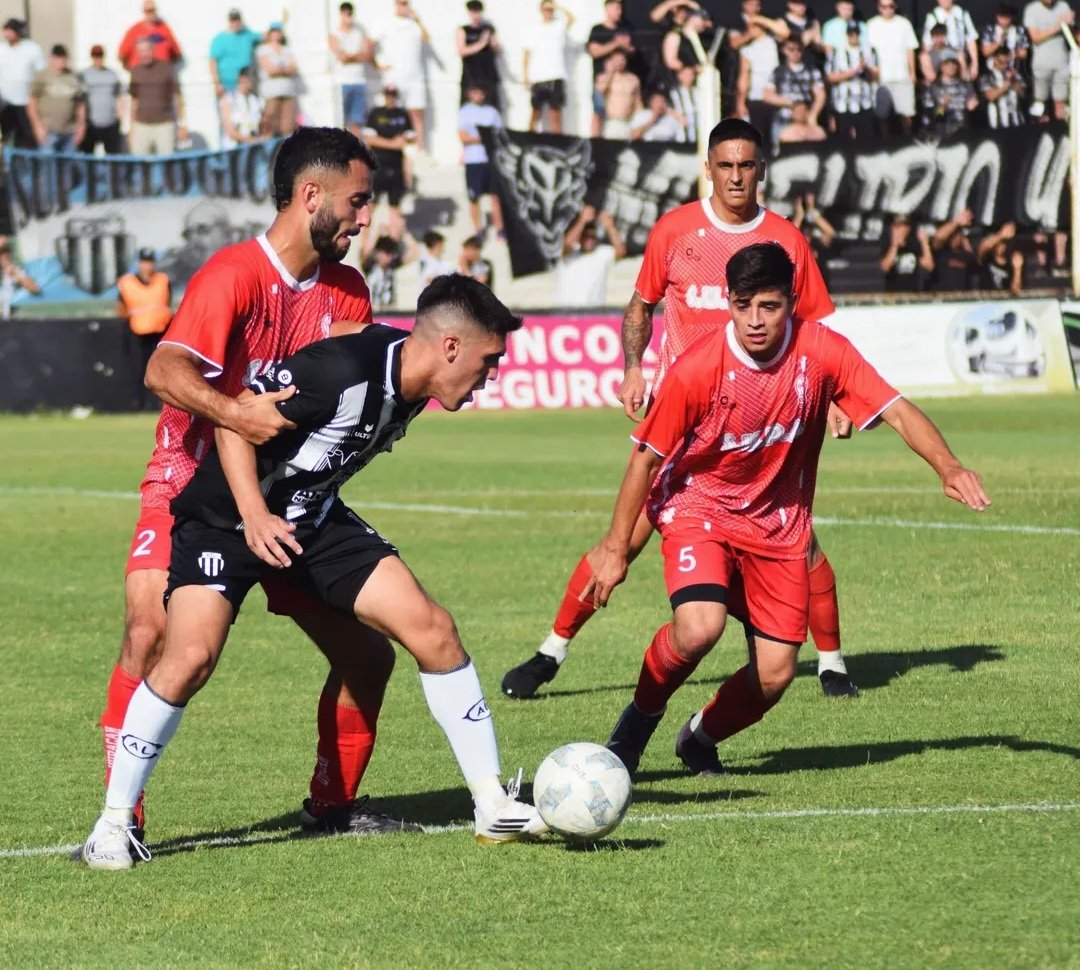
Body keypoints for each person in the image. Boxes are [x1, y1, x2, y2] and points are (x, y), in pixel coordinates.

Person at [80, 274, 546, 869]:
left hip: (312, 521)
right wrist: (251, 514)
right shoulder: (340, 372)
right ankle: (112, 826)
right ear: (450, 346)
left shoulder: (411, 379)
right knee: (189, 657)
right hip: (226, 518)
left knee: (432, 629)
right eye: (488, 362)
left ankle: (491, 806)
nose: (489, 378)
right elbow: (234, 419)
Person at [90, 127, 419, 863]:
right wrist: (236, 412)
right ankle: (120, 822)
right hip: (188, 486)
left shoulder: (349, 292)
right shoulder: (234, 274)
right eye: (357, 202)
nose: (367, 218)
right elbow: (165, 371)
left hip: (286, 498)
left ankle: (333, 806)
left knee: (369, 657)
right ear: (312, 197)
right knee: (152, 635)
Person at [590, 242, 990, 778]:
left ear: (791, 300)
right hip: (700, 508)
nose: (755, 320)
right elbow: (645, 459)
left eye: (769, 306)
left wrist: (948, 466)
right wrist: (616, 550)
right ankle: (635, 726)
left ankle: (699, 739)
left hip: (779, 528)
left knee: (776, 675)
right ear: (729, 302)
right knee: (698, 627)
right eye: (743, 304)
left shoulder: (823, 351)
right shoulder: (698, 368)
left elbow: (896, 410)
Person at [501, 119, 859, 703]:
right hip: (684, 427)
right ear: (709, 169)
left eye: (747, 166)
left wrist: (839, 396)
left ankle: (831, 663)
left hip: (760, 424)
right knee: (623, 540)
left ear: (761, 169)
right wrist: (634, 367)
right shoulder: (675, 230)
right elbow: (640, 307)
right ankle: (551, 650)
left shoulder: (787, 240)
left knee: (800, 538)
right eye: (726, 166)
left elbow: (817, 323)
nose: (737, 176)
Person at [117, 248, 173, 411]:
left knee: (162, 369)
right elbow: (121, 307)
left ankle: (162, 403)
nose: (147, 266)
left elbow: (167, 303)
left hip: (161, 330)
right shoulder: (127, 282)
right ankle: (138, 403)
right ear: (138, 263)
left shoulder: (162, 279)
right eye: (144, 262)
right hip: (137, 331)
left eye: (149, 262)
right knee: (139, 369)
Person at [375, 0, 431, 152]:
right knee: (393, 113)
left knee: (417, 114)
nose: (403, 6)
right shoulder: (386, 23)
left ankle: (420, 149)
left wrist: (418, 20)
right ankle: (394, 148)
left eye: (405, 3)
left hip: (415, 77)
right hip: (394, 76)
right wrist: (377, 64)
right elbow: (371, 43)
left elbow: (426, 39)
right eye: (400, 3)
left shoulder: (414, 24)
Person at [363, 83, 415, 240]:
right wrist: (393, 143)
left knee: (395, 207)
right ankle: (364, 244)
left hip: (396, 166)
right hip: (378, 166)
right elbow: (370, 139)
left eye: (393, 95)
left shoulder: (403, 114)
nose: (390, 99)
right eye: (388, 95)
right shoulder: (376, 113)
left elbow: (411, 138)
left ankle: (393, 242)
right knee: (371, 206)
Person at [457, 83, 504, 239]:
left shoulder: (492, 112)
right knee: (474, 196)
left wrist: (478, 138)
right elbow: (463, 136)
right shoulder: (464, 112)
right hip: (474, 160)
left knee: (495, 196)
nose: (478, 95)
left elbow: (498, 136)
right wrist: (483, 138)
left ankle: (500, 228)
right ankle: (478, 229)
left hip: (489, 160)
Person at [555, 207, 627, 307]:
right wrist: (582, 220)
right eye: (585, 236)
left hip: (593, 314)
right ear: (579, 237)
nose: (589, 239)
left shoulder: (602, 254)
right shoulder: (570, 255)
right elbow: (567, 244)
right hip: (566, 313)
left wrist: (610, 226)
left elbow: (621, 251)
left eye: (592, 236)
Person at [866, 0, 919, 135]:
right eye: (883, 6)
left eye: (890, 6)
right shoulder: (871, 25)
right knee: (882, 115)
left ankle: (908, 142)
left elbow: (910, 49)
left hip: (902, 76)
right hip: (881, 79)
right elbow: (867, 52)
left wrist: (912, 73)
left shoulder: (904, 23)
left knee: (907, 114)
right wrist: (872, 73)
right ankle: (885, 145)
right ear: (878, 7)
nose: (887, 9)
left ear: (895, 6)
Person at [763, 37, 825, 150]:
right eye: (791, 49)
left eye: (799, 49)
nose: (795, 53)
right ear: (784, 50)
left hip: (806, 121)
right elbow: (768, 96)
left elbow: (820, 95)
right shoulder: (778, 72)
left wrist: (813, 115)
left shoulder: (812, 71)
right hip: (783, 120)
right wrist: (792, 103)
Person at [128, 37, 187, 155]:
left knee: (167, 165)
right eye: (141, 51)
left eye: (147, 50)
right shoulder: (135, 71)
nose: (144, 54)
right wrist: (131, 128)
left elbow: (177, 98)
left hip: (164, 124)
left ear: (153, 50)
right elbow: (134, 101)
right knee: (140, 164)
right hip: (142, 125)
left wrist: (182, 125)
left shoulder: (166, 68)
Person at [586, 0, 637, 137]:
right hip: (602, 80)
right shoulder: (597, 30)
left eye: (620, 9)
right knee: (599, 111)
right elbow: (594, 51)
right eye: (616, 8)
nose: (619, 12)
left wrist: (625, 47)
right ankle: (596, 142)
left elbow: (632, 50)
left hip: (620, 81)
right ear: (607, 9)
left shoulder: (624, 29)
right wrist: (615, 43)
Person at [523, 0, 574, 134]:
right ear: (541, 11)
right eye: (546, 9)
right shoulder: (533, 29)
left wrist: (557, 6)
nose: (548, 12)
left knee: (555, 113)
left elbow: (572, 18)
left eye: (550, 10)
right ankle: (530, 141)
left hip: (556, 75)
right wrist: (525, 76)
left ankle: (556, 144)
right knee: (535, 112)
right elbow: (527, 53)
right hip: (538, 76)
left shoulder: (559, 26)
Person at [826, 22, 878, 142]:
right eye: (851, 34)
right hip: (843, 104)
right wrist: (855, 71)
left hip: (864, 103)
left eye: (856, 33)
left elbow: (875, 77)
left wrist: (866, 70)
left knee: (866, 141)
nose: (854, 36)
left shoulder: (869, 50)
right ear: (847, 35)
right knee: (844, 141)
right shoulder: (836, 51)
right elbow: (829, 78)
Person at [27, 44, 86, 152]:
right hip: (48, 131)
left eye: (63, 58)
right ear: (51, 58)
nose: (61, 61)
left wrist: (81, 126)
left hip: (69, 132)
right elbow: (32, 102)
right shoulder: (42, 76)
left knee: (68, 166)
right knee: (48, 166)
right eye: (58, 57)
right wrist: (37, 126)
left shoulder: (74, 76)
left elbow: (80, 104)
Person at [1023, 0, 1074, 120]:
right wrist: (1058, 26)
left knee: (1061, 101)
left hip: (1062, 63)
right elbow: (1035, 37)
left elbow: (1071, 29)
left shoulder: (1063, 6)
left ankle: (1062, 131)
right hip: (1042, 64)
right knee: (1040, 103)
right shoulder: (1031, 10)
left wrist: (1070, 22)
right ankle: (1040, 131)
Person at [329, 2, 374, 137]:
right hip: (342, 82)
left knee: (357, 121)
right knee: (340, 120)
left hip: (359, 80)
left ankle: (354, 152)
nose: (348, 16)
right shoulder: (334, 34)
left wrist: (352, 55)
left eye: (350, 13)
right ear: (341, 14)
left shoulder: (360, 32)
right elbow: (342, 56)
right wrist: (357, 55)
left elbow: (367, 55)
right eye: (346, 13)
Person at [0, 19, 45, 149]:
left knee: (27, 137)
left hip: (26, 103)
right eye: (5, 31)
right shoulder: (1, 49)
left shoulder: (32, 49)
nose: (7, 34)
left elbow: (40, 73)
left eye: (10, 31)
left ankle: (26, 166)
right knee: (8, 136)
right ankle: (8, 166)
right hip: (6, 103)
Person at [257, 23, 299, 137]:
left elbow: (294, 68)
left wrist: (279, 69)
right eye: (274, 32)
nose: (276, 35)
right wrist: (285, 70)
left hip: (288, 92)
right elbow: (270, 70)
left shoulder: (286, 50)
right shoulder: (263, 50)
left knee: (288, 126)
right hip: (272, 93)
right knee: (270, 125)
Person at [79, 45, 124, 154]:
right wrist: (81, 122)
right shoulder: (84, 75)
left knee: (112, 157)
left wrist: (119, 117)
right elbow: (80, 101)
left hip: (110, 123)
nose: (98, 59)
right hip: (91, 124)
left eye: (100, 56)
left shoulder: (112, 75)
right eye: (95, 56)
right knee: (88, 158)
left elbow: (119, 97)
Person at [457, 0, 501, 112]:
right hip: (470, 74)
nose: (475, 15)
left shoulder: (488, 29)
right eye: (473, 12)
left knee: (491, 105)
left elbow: (497, 51)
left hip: (487, 74)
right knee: (468, 106)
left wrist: (493, 44)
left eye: (477, 11)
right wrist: (481, 43)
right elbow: (462, 51)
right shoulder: (463, 30)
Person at [209, 8, 261, 100]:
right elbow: (213, 62)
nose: (235, 23)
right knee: (229, 112)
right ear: (229, 21)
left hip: (245, 86)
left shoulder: (247, 35)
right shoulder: (219, 39)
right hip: (227, 85)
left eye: (237, 20)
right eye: (233, 20)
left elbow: (265, 37)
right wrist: (217, 83)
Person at [921, 0, 978, 81]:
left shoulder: (962, 13)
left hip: (958, 56)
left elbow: (971, 40)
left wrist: (974, 64)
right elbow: (927, 43)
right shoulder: (933, 15)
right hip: (940, 59)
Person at [117, 0, 182, 70]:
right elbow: (122, 54)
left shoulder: (164, 29)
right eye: (147, 11)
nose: (150, 13)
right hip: (141, 75)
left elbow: (176, 53)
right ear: (143, 12)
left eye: (152, 10)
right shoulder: (134, 30)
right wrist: (132, 70)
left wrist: (166, 67)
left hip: (162, 74)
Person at [923, 53, 977, 136]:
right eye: (947, 64)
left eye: (954, 64)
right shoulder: (933, 89)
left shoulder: (967, 86)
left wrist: (972, 109)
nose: (951, 67)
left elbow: (974, 112)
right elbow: (931, 116)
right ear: (941, 67)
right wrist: (943, 107)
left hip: (964, 132)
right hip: (942, 133)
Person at [880, 214, 934, 292]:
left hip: (912, 294)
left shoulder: (913, 245)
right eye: (897, 227)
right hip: (893, 295)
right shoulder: (887, 245)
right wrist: (895, 245)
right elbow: (885, 268)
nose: (900, 230)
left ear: (908, 229)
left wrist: (924, 243)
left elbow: (929, 266)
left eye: (903, 227)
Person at [596, 49, 642, 139]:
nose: (620, 63)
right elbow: (599, 90)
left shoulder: (633, 79)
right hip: (610, 122)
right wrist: (610, 72)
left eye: (622, 59)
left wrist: (639, 122)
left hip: (627, 122)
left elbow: (638, 103)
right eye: (617, 60)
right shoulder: (603, 77)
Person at [979, 46, 1027, 128]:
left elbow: (1023, 94)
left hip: (1017, 122)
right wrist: (1007, 83)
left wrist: (1014, 80)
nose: (1005, 65)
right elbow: (991, 96)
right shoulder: (986, 76)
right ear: (994, 59)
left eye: (1007, 62)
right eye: (1001, 62)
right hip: (996, 124)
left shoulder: (1014, 74)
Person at [932, 209, 979, 290]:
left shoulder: (966, 255)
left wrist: (964, 239)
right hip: (943, 297)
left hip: (962, 298)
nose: (955, 238)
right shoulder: (941, 253)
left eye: (958, 234)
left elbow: (975, 260)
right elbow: (938, 238)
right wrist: (956, 222)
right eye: (952, 235)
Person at [219, 67, 264, 148]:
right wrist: (250, 140)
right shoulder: (229, 99)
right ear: (240, 79)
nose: (249, 82)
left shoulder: (256, 100)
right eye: (247, 79)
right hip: (234, 148)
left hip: (255, 147)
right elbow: (229, 131)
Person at [978, 221, 1026, 295]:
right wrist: (1001, 235)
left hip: (1003, 302)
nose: (1002, 246)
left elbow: (1015, 292)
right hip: (985, 301)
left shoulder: (1011, 265)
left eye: (1005, 243)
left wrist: (1017, 269)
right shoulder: (987, 259)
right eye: (1000, 243)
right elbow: (983, 247)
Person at [0, 240, 41, 318]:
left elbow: (35, 288)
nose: (2, 256)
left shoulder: (16, 270)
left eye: (4, 253)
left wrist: (14, 274)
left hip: (11, 322)